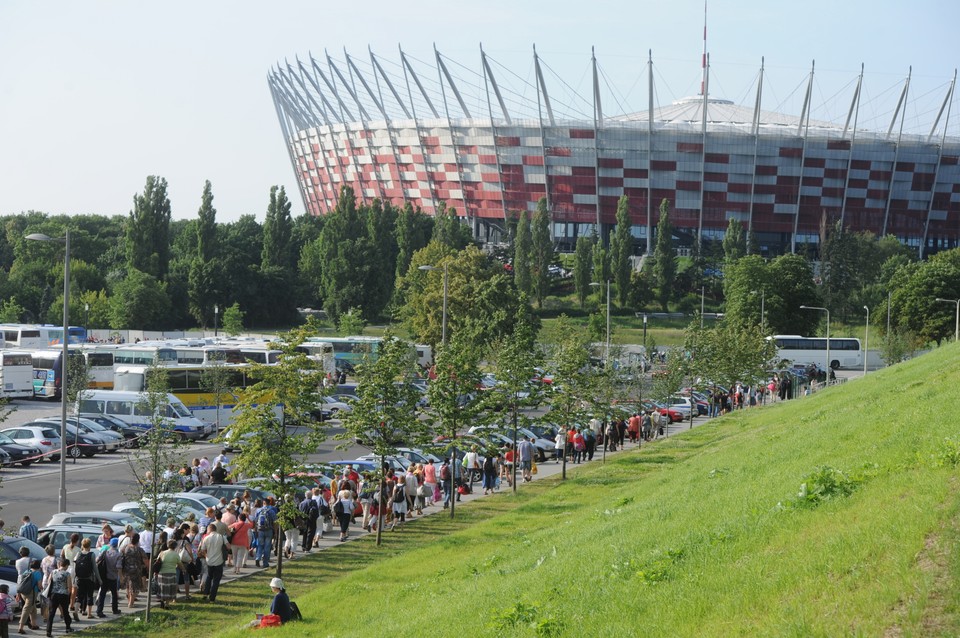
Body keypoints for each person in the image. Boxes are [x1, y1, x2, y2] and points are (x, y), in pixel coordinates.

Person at [198, 523, 227, 603]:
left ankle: (205, 593)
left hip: (209, 560)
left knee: (209, 577)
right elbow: (228, 546)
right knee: (216, 580)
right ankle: (212, 598)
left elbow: (203, 550)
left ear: (209, 529)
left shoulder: (206, 538)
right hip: (219, 561)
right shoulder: (221, 537)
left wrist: (206, 555)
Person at [73, 538, 100, 619]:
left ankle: (75, 611)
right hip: (89, 578)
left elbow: (75, 566)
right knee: (90, 595)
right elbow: (95, 568)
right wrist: (99, 579)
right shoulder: (91, 554)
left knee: (80, 596)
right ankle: (89, 614)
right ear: (89, 545)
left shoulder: (78, 554)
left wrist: (75, 578)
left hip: (80, 578)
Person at [45, 557, 73, 638]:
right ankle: (68, 627)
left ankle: (48, 631)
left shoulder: (53, 572)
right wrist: (68, 594)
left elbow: (49, 581)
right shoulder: (67, 574)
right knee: (65, 612)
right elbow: (69, 586)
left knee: (51, 613)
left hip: (53, 594)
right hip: (63, 594)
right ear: (66, 565)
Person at [95, 538, 121, 617]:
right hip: (113, 576)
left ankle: (99, 611)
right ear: (117, 545)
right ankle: (115, 609)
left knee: (102, 594)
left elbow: (97, 560)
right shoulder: (118, 554)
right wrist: (119, 576)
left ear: (110, 544)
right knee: (114, 594)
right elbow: (118, 566)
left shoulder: (105, 552)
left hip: (103, 576)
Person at [154, 540, 184, 609]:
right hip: (171, 573)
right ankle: (167, 604)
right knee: (169, 589)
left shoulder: (162, 553)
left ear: (168, 545)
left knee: (162, 588)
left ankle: (162, 601)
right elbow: (180, 564)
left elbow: (157, 562)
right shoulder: (176, 554)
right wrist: (183, 569)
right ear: (175, 546)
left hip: (162, 573)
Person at [120, 533, 146, 608]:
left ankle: (129, 601)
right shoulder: (139, 549)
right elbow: (145, 560)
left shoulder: (125, 548)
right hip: (136, 570)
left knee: (128, 586)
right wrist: (147, 567)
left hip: (126, 570)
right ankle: (131, 603)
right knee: (134, 587)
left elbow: (121, 557)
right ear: (138, 540)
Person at [16, 559, 40, 634]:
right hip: (32, 593)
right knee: (26, 609)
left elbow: (20, 583)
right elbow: (40, 585)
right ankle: (21, 627)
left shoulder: (26, 572)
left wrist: (18, 594)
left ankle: (34, 624)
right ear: (38, 566)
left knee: (33, 608)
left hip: (24, 593)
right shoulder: (37, 573)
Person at [254, 499, 277, 568]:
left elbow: (255, 521)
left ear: (263, 503)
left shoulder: (258, 510)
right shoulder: (271, 511)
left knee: (260, 545)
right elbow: (275, 522)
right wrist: (275, 532)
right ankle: (265, 563)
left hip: (260, 530)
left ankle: (258, 558)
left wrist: (256, 530)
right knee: (267, 547)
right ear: (269, 503)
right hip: (269, 530)